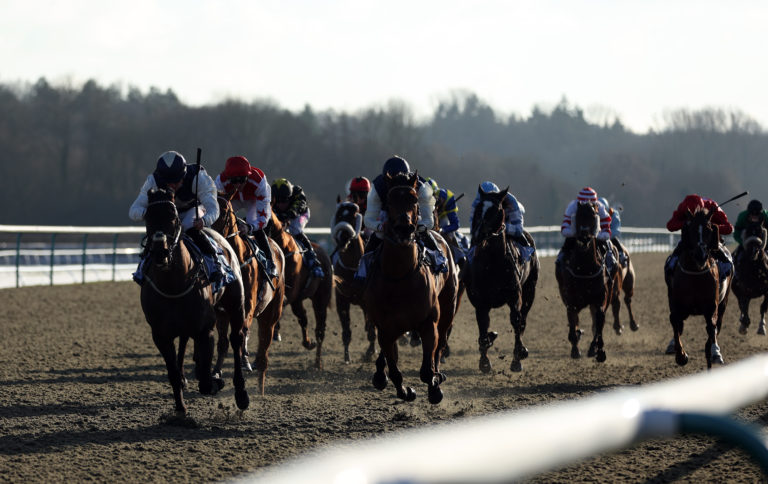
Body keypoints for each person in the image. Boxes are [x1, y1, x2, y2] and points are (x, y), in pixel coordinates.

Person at [129, 150, 226, 284]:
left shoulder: (198, 178)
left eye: (176, 181)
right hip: (168, 214)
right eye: (167, 182)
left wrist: (204, 220)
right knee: (157, 233)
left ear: (184, 175)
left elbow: (214, 209)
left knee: (188, 227)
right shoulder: (153, 181)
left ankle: (215, 264)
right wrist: (150, 214)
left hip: (193, 210)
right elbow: (133, 211)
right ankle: (142, 267)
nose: (172, 186)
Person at [214, 155, 278, 277]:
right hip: (232, 199)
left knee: (252, 221)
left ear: (248, 176)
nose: (238, 184)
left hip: (252, 200)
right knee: (219, 221)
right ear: (228, 178)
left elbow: (263, 218)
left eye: (242, 180)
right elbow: (212, 206)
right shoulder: (220, 182)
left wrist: (249, 227)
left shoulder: (259, 182)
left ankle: (270, 262)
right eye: (234, 181)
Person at [363, 155, 438, 253]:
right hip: (388, 216)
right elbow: (368, 220)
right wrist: (381, 226)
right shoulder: (376, 189)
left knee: (424, 234)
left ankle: (439, 261)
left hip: (413, 217)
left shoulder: (422, 187)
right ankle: (364, 265)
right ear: (386, 180)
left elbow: (429, 221)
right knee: (378, 235)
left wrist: (419, 226)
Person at [665, 194, 733, 276]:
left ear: (702, 208)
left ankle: (725, 267)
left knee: (727, 262)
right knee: (678, 251)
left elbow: (729, 228)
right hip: (691, 239)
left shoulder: (713, 206)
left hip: (710, 239)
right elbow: (670, 225)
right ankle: (671, 266)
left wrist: (708, 226)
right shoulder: (683, 208)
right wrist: (688, 224)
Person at [271, 177, 324, 278]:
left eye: (284, 200)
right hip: (282, 215)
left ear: (290, 197)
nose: (281, 204)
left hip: (300, 214)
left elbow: (300, 206)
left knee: (295, 230)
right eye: (278, 201)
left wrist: (289, 216)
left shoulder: (297, 192)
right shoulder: (269, 197)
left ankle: (313, 261)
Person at [558, 187, 616, 271]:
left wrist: (598, 235)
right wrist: (574, 233)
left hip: (595, 235)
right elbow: (564, 229)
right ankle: (561, 261)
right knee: (567, 244)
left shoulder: (600, 207)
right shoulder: (572, 207)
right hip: (576, 235)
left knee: (606, 245)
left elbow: (606, 230)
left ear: (595, 204)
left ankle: (610, 261)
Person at [598, 197, 628, 268]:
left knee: (614, 240)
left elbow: (616, 230)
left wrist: (606, 235)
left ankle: (622, 256)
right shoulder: (595, 215)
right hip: (599, 236)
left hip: (609, 236)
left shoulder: (614, 214)